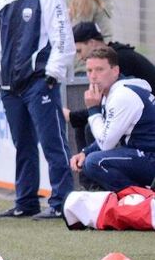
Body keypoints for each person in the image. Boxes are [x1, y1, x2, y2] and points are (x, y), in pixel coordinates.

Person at [0, 0, 76, 220]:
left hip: (40, 81)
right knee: (22, 144)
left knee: (53, 143)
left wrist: (52, 74)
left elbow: (63, 38)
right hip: (10, 85)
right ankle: (26, 201)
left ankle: (61, 201)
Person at [64, 22, 155, 159]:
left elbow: (114, 105)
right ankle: (87, 173)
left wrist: (74, 116)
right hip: (135, 115)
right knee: (87, 125)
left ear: (92, 43)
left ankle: (95, 173)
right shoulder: (115, 56)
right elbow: (107, 105)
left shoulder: (118, 59)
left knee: (90, 129)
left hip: (145, 123)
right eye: (90, 71)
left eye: (79, 50)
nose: (80, 58)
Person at [69, 47, 155, 191]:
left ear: (115, 71)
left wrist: (93, 109)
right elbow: (108, 134)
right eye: (89, 71)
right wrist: (84, 152)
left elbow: (106, 144)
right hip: (143, 153)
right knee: (91, 137)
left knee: (95, 162)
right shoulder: (115, 91)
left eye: (99, 70)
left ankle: (141, 199)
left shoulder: (122, 95)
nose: (93, 76)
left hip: (150, 156)